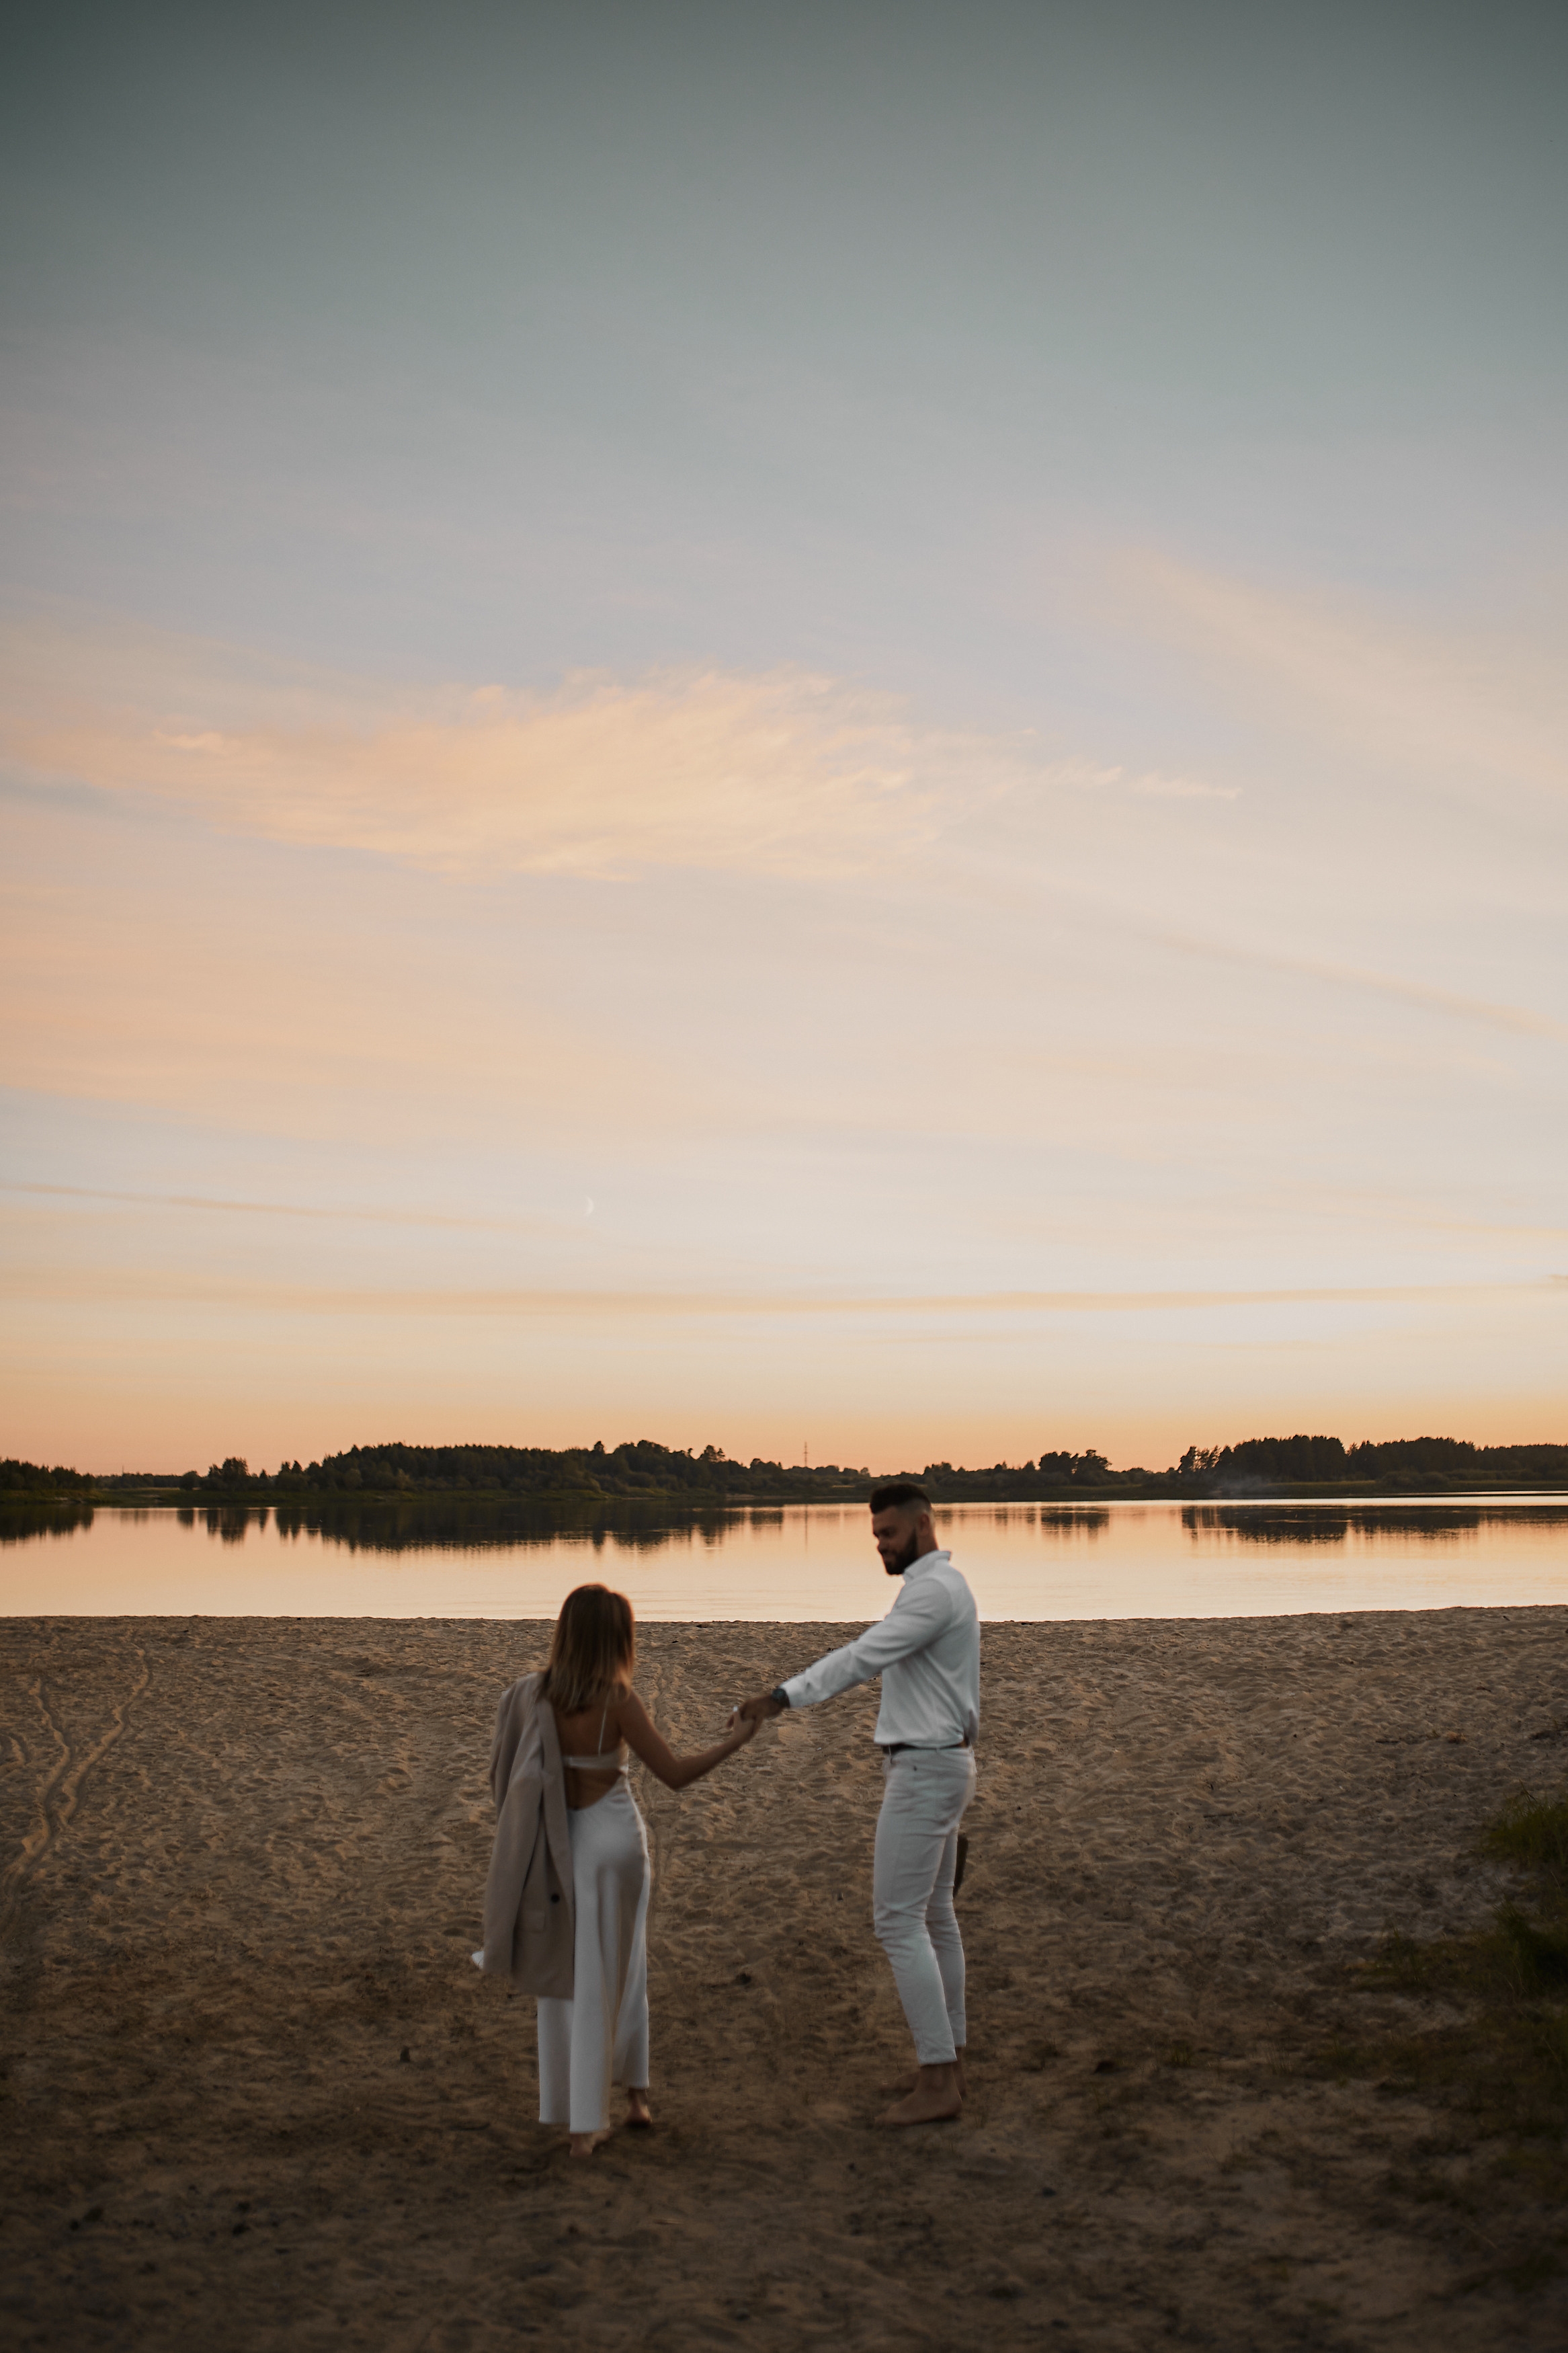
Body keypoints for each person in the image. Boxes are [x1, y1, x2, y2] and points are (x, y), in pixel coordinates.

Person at [478, 1583, 755, 2159]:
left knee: (572, 1974)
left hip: (559, 1844)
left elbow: (501, 1773)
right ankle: (621, 2107)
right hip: (614, 1842)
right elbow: (675, 1774)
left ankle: (589, 2111)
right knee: (624, 1963)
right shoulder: (617, 1699)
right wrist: (737, 1741)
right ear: (618, 1639)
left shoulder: (535, 1696)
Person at [737, 1482, 979, 2128]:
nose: (881, 1546)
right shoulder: (939, 1587)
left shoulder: (932, 1591)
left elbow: (863, 1656)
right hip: (944, 1762)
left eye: (889, 1535)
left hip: (926, 1770)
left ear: (923, 1526)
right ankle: (947, 2061)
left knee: (898, 1922)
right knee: (934, 1919)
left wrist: (781, 1697)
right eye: (875, 1536)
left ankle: (937, 2082)